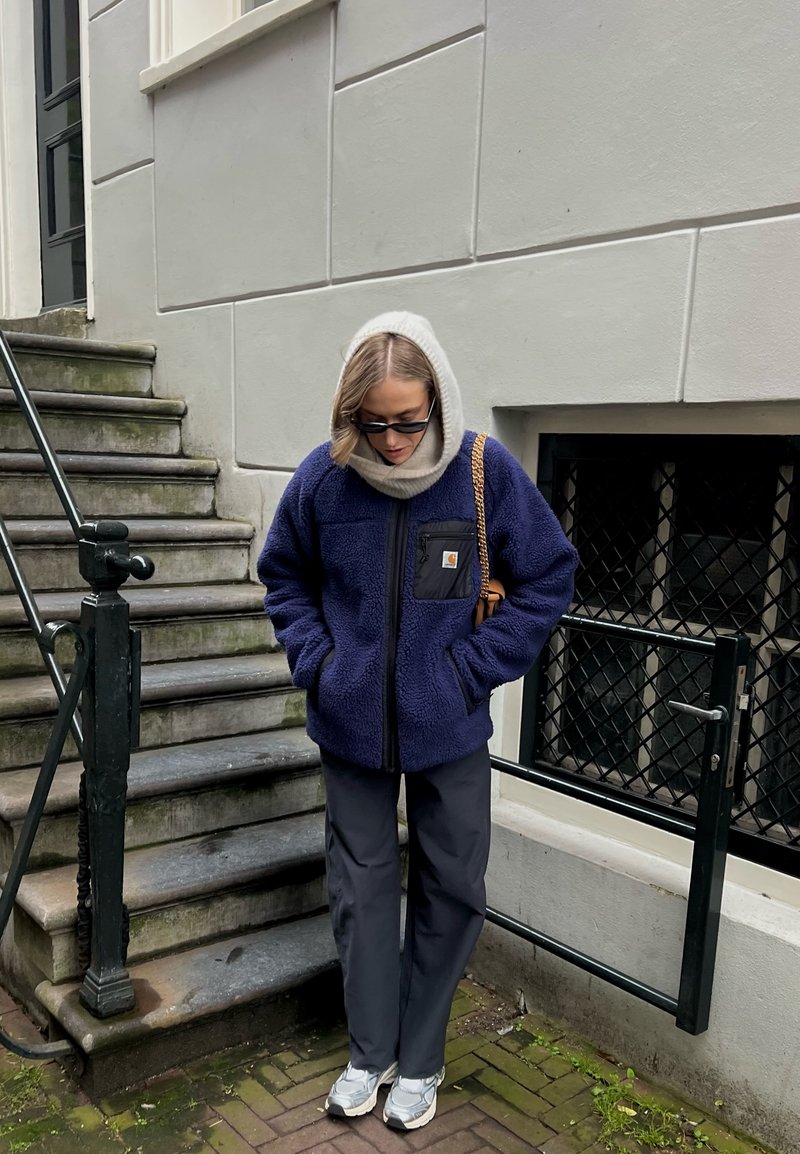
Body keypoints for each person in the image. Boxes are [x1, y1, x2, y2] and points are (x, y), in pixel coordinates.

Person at [257, 311, 577, 1131]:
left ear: (437, 399)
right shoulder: (322, 482)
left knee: (452, 887)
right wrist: (321, 667)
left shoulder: (483, 469)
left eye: (410, 420)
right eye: (376, 423)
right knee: (361, 893)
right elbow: (284, 577)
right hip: (351, 728)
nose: (395, 441)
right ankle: (370, 1052)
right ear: (349, 413)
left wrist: (468, 672)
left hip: (452, 728)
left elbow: (547, 578)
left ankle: (422, 1061)